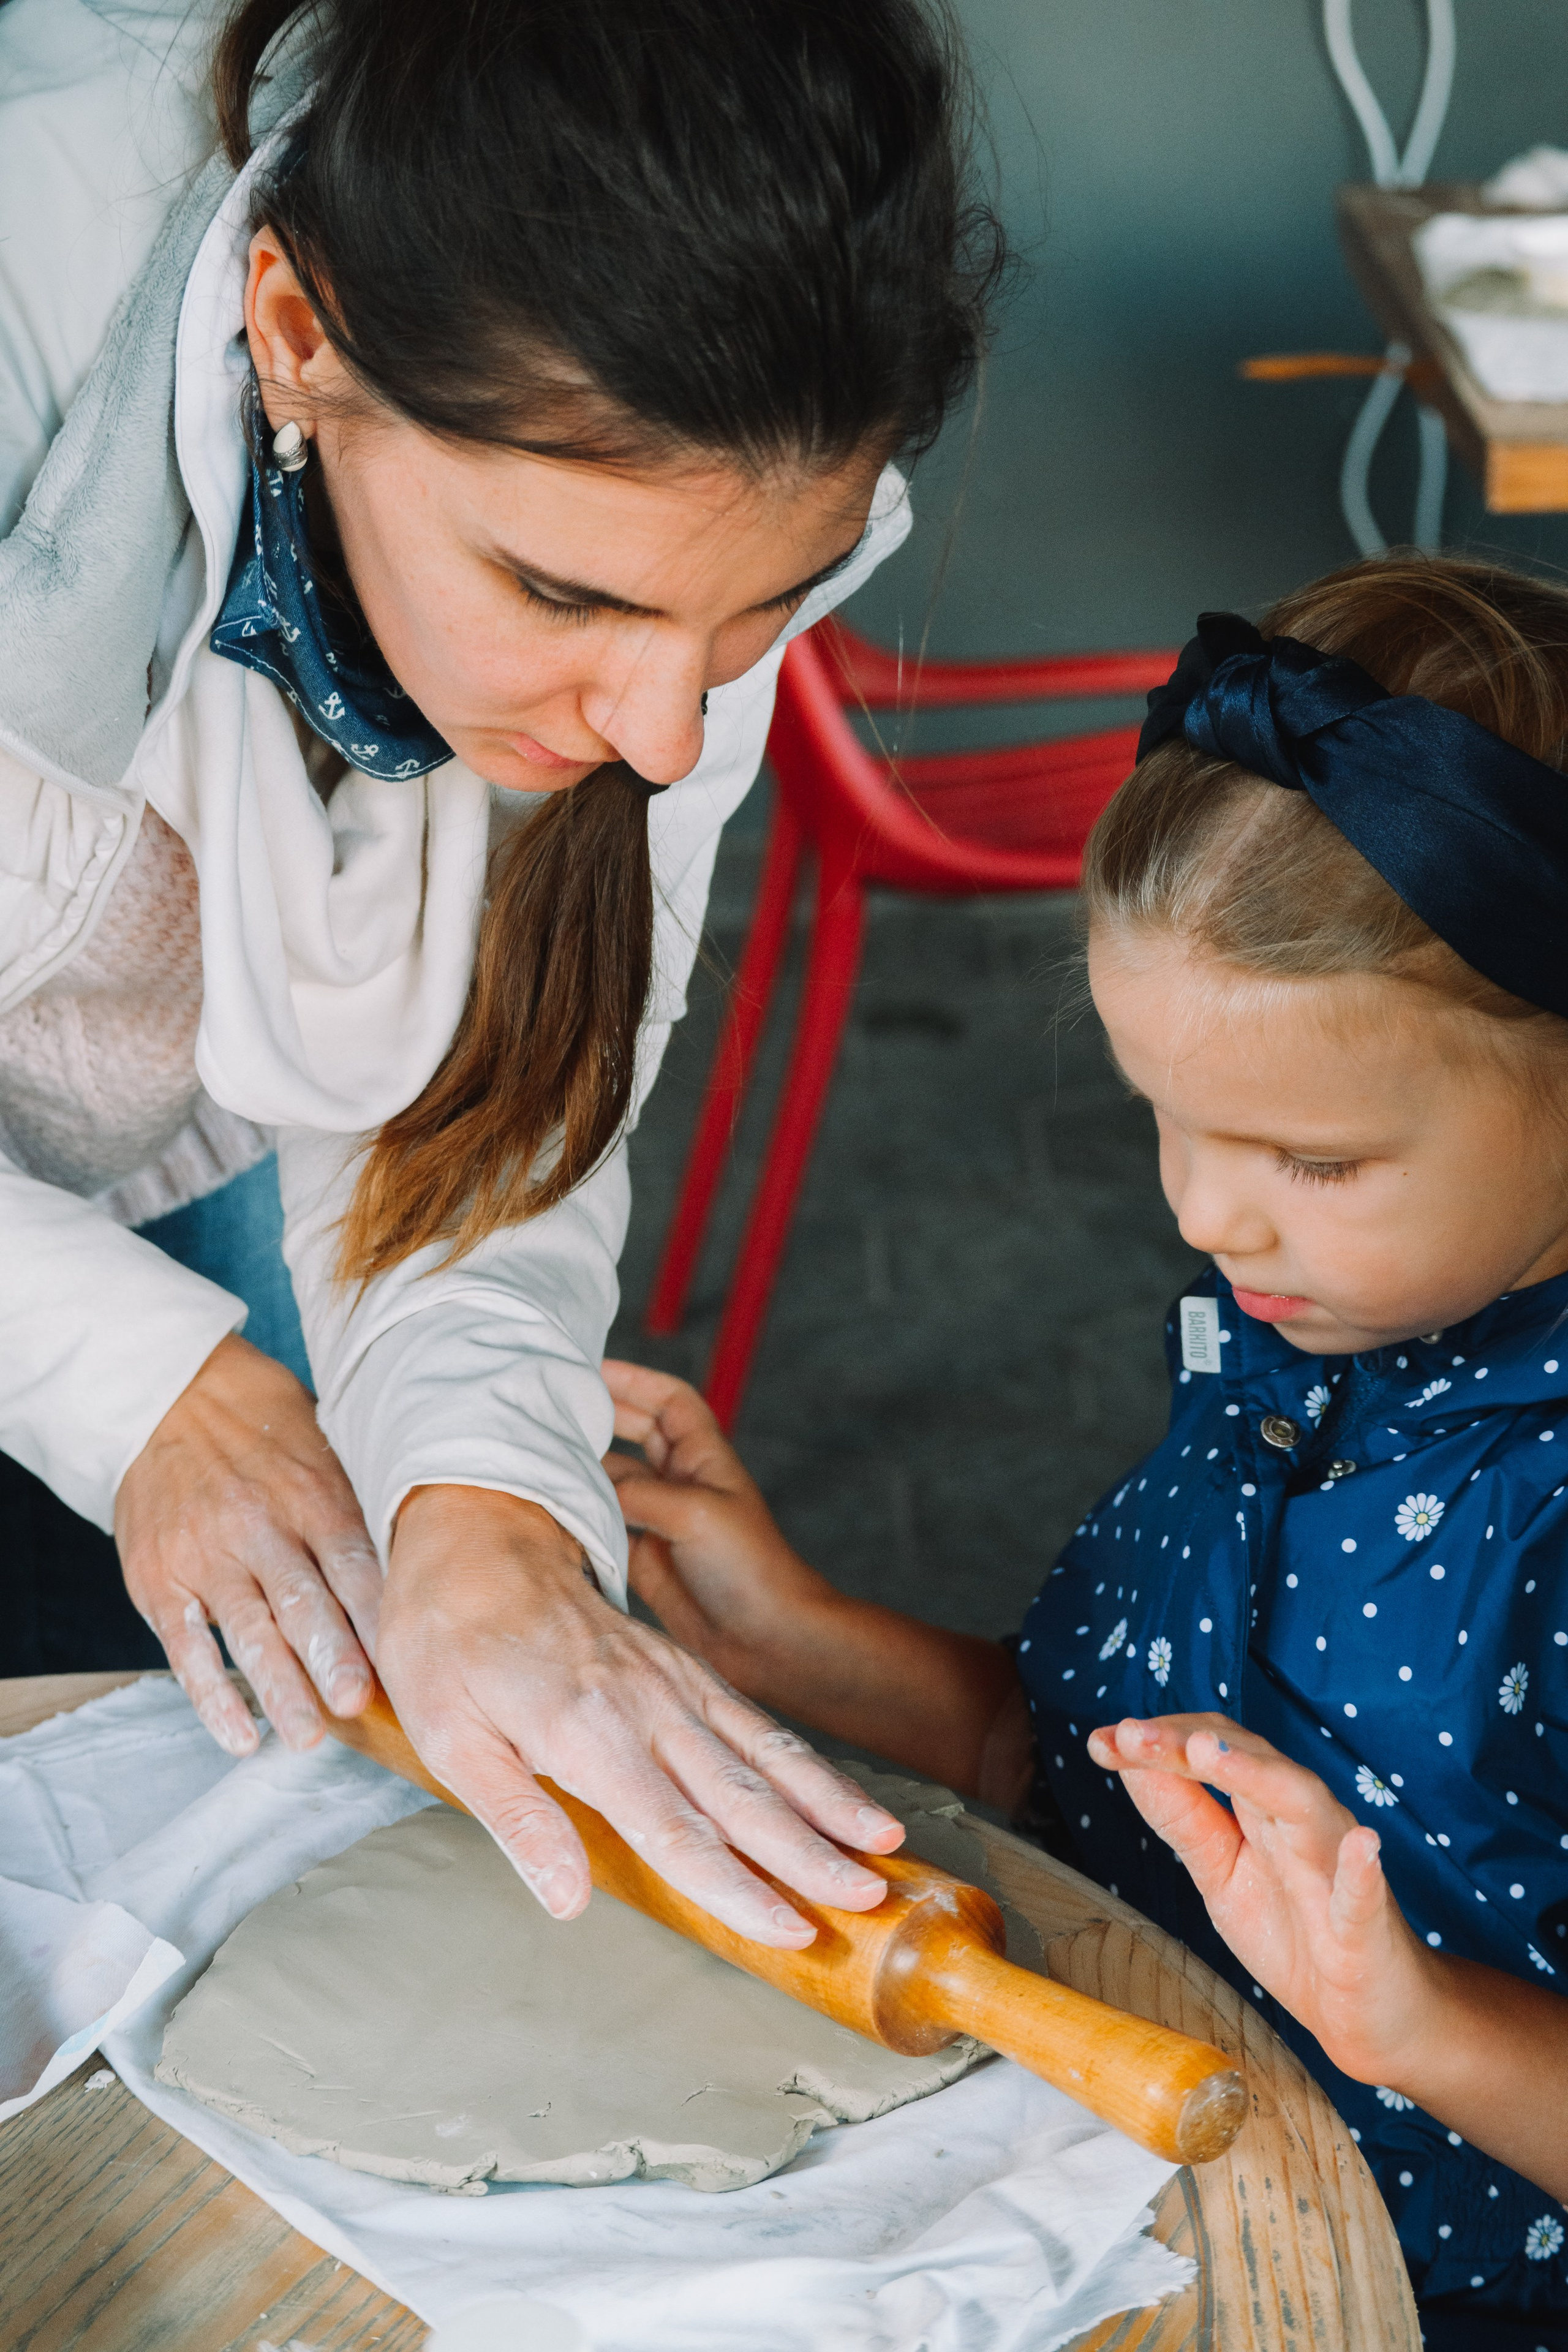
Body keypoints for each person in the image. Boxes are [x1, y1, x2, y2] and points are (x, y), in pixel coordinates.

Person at [0, 0, 1005, 1942]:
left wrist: (482, 1496)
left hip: (191, 1129)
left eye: (757, 615)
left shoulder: (685, 546)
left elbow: (496, 1096)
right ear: (296, 338)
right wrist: (141, 1390)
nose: (656, 731)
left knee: (236, 1813)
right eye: (562, 595)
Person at [603, 553, 1568, 2344]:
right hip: (1108, 2201)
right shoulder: (1305, 1341)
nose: (1209, 1213)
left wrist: (1412, 2023)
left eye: (1317, 1163)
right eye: (1165, 1119)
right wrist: (787, 1633)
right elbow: (1091, 1767)